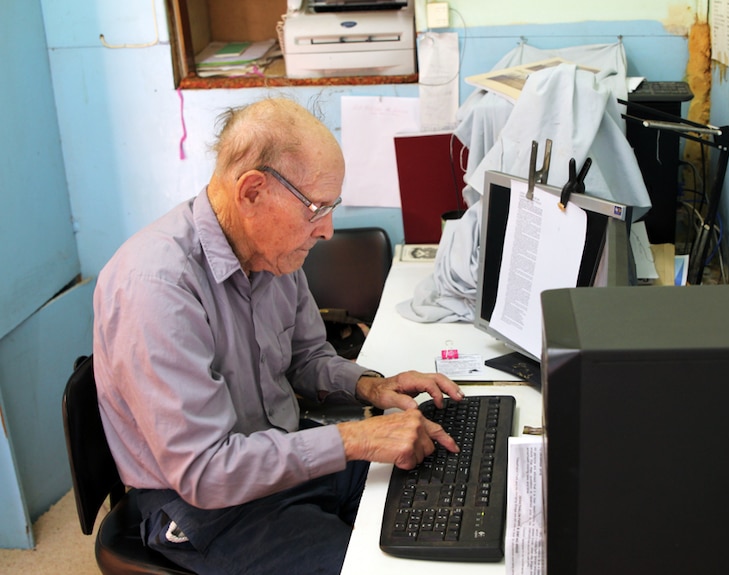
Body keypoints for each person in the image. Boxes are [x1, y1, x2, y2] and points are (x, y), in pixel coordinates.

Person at [92, 97, 463, 574]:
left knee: (435, 473)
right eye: (317, 209)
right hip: (205, 505)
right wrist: (357, 438)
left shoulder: (271, 252)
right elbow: (205, 472)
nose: (327, 230)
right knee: (377, 566)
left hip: (280, 453)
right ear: (252, 192)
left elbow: (305, 357)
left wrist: (369, 386)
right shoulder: (156, 288)